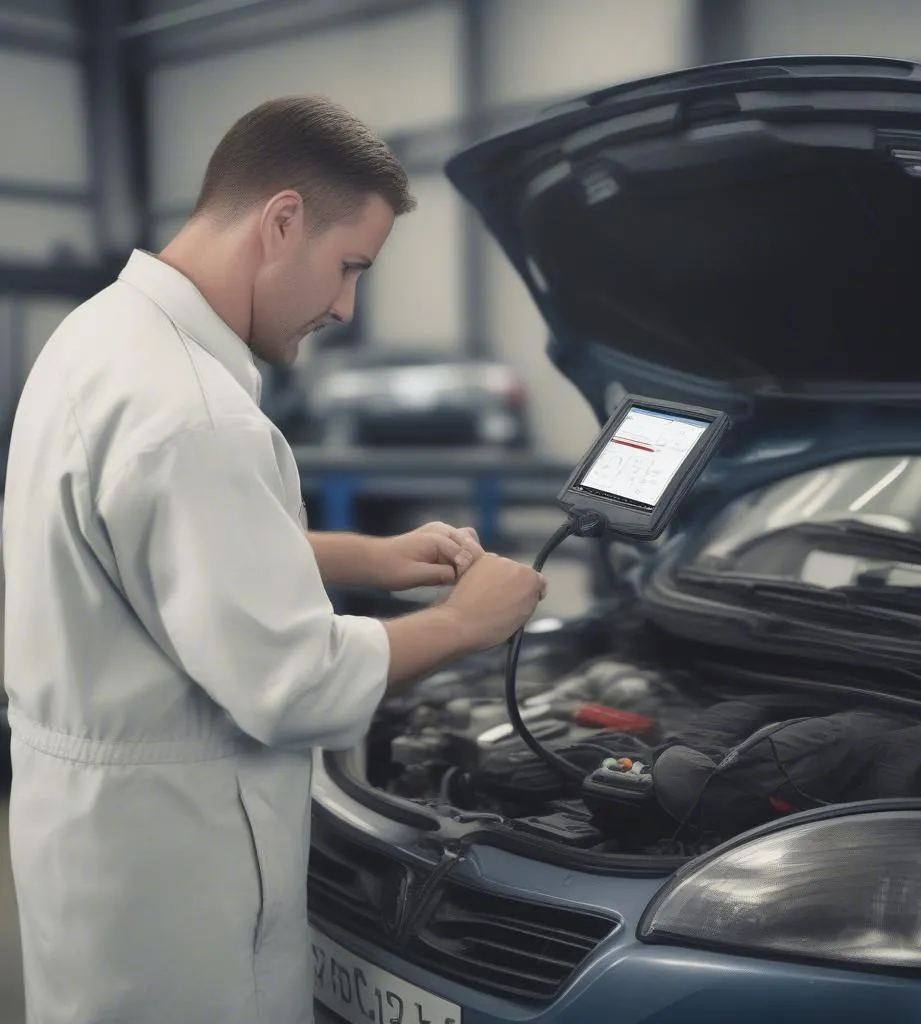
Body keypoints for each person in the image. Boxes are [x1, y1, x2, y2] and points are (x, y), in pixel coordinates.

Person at [2, 96, 546, 1024]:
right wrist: (466, 622)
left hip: (88, 840)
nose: (344, 305)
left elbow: (167, 553)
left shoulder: (100, 339)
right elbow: (290, 684)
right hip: (182, 874)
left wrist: (369, 556)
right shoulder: (193, 414)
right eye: (349, 267)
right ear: (282, 220)